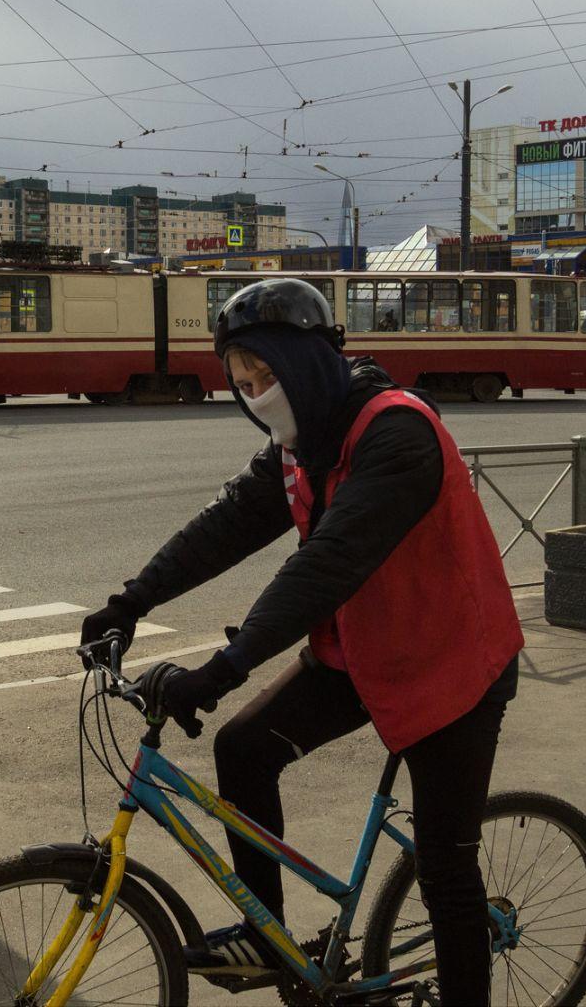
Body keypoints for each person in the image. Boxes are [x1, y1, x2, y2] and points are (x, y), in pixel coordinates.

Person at [81, 278, 522, 1005]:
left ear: (309, 363)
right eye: (244, 383)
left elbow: (325, 566)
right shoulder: (300, 443)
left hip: (453, 666)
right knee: (243, 749)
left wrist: (225, 668)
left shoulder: (397, 433)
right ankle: (270, 938)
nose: (259, 396)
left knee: (445, 869)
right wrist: (130, 602)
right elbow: (226, 526)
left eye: (268, 377)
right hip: (363, 654)